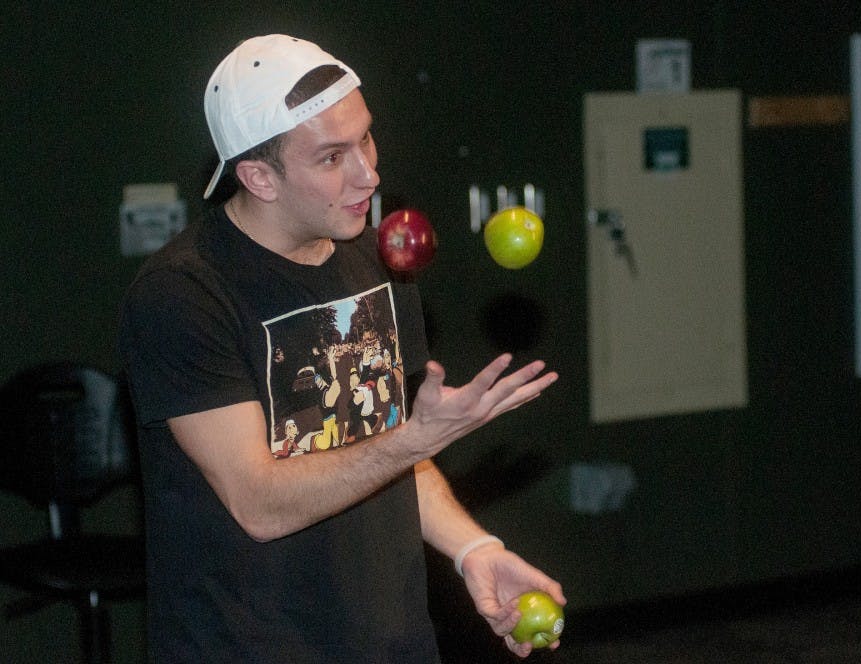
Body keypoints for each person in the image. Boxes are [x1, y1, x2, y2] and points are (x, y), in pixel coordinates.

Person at [118, 33, 565, 662]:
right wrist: (416, 437)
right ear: (258, 176)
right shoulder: (183, 296)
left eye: (366, 139)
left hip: (392, 641)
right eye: (332, 157)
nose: (368, 173)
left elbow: (378, 445)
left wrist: (474, 549)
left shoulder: (378, 260)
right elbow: (260, 504)